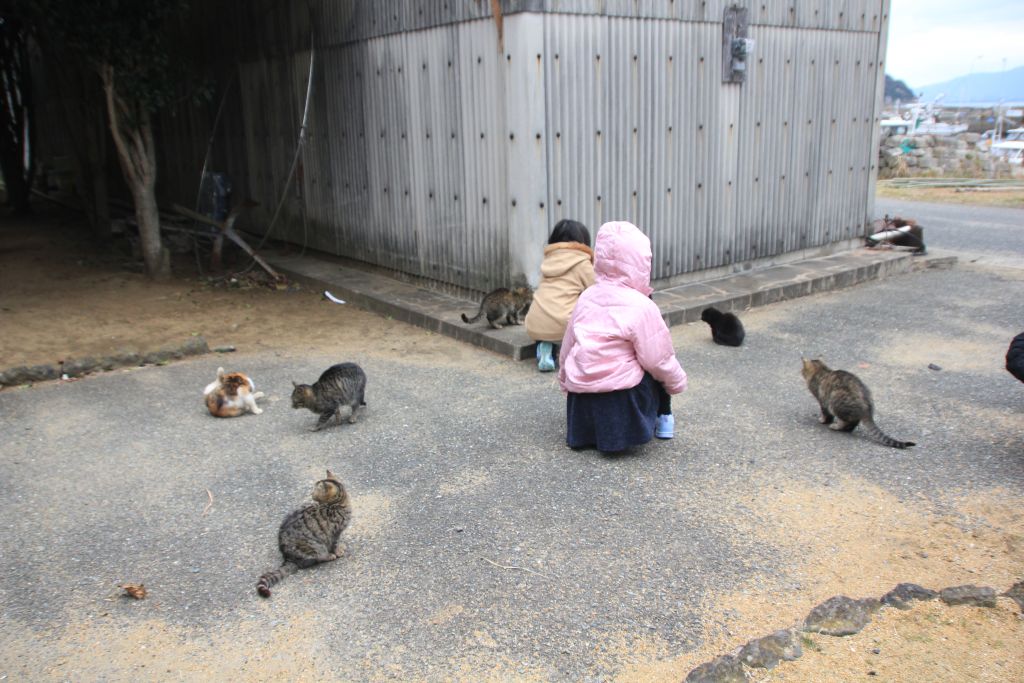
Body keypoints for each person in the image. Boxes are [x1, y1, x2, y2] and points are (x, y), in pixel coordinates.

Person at [558, 221, 688, 452]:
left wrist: (564, 379)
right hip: (622, 399)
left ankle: (588, 433)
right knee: (651, 364)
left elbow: (569, 345)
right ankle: (661, 420)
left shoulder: (586, 297)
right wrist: (676, 382)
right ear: (642, 263)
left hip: (581, 397)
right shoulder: (641, 305)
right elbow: (658, 359)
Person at [525, 219, 596, 372]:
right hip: (563, 325)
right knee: (588, 307)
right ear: (584, 242)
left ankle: (544, 347)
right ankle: (573, 351)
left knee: (551, 310)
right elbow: (597, 290)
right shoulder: (582, 263)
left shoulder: (548, 260)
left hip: (534, 323)